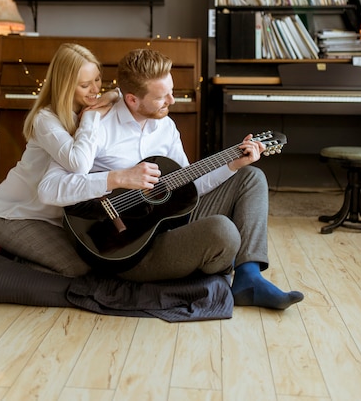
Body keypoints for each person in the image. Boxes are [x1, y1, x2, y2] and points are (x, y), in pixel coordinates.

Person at [39, 48, 304, 310]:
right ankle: (205, 261)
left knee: (251, 176)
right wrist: (118, 178)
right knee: (223, 232)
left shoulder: (165, 127)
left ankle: (249, 278)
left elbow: (188, 187)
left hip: (167, 219)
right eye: (162, 97)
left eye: (171, 91)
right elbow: (51, 188)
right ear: (132, 100)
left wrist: (233, 164)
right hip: (127, 247)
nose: (172, 101)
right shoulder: (96, 125)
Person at [0, 43, 120, 276]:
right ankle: (3, 252)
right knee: (75, 269)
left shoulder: (89, 104)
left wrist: (113, 94)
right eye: (85, 85)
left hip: (55, 218)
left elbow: (122, 95)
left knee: (100, 260)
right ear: (65, 86)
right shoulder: (46, 119)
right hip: (15, 214)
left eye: (98, 79)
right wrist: (90, 118)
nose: (95, 89)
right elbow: (79, 165)